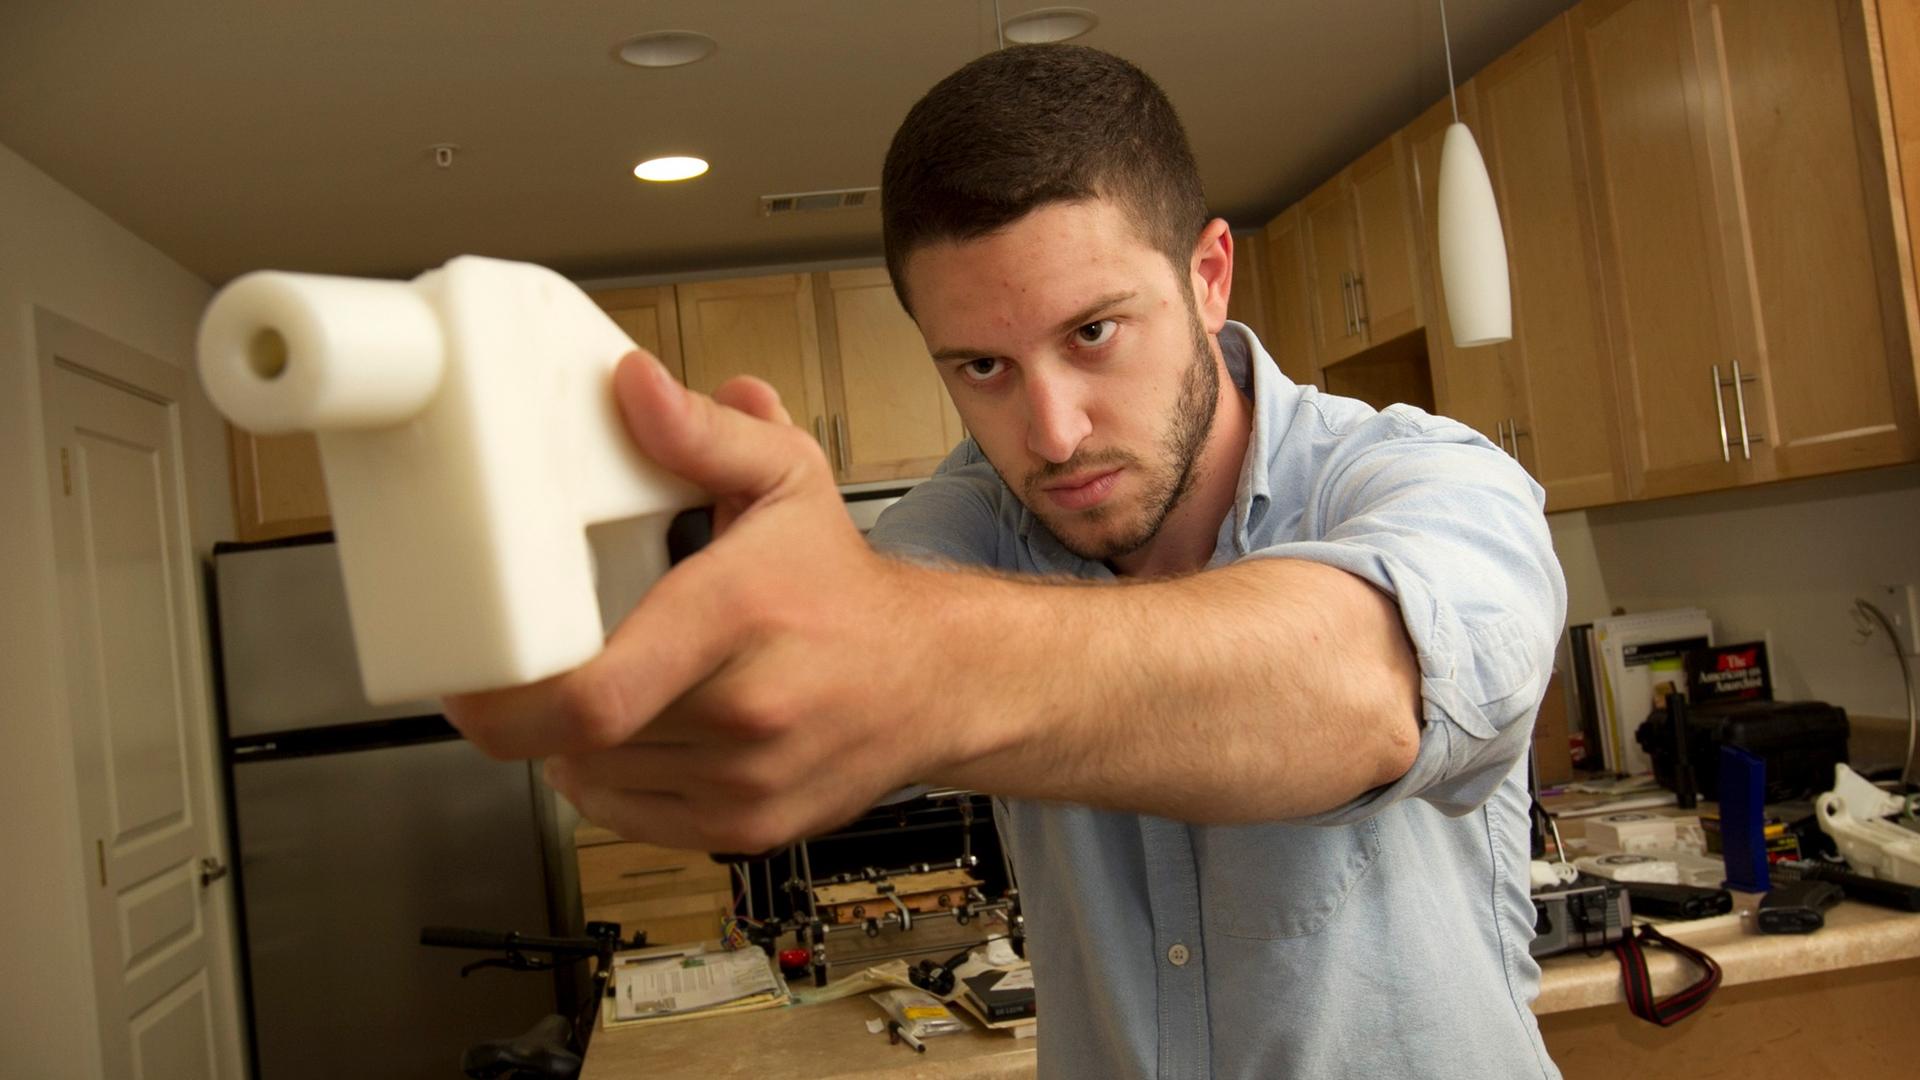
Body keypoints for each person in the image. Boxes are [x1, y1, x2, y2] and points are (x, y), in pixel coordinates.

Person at [446, 44, 1566, 1080]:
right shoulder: (972, 519)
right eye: (981, 364)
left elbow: (1364, 692)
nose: (1053, 431)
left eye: (1093, 333)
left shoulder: (1428, 479)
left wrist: (916, 659)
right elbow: (850, 641)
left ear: (1209, 274)